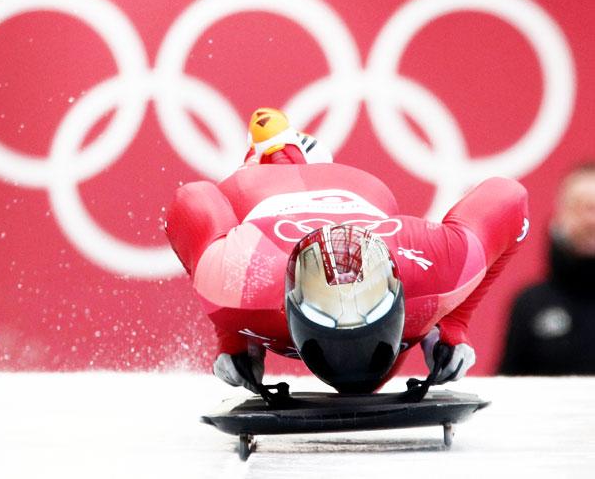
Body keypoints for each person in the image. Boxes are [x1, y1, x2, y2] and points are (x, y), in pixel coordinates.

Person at [166, 108, 529, 393]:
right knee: (386, 366)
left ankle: (278, 149)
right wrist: (448, 326)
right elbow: (508, 197)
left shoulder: (238, 285)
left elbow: (190, 200)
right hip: (289, 191)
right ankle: (275, 151)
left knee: (379, 374)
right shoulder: (243, 281)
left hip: (338, 193)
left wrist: (451, 325)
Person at [499, 162, 595, 375]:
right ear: (560, 216)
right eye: (580, 207)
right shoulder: (529, 304)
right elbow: (507, 387)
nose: (590, 220)